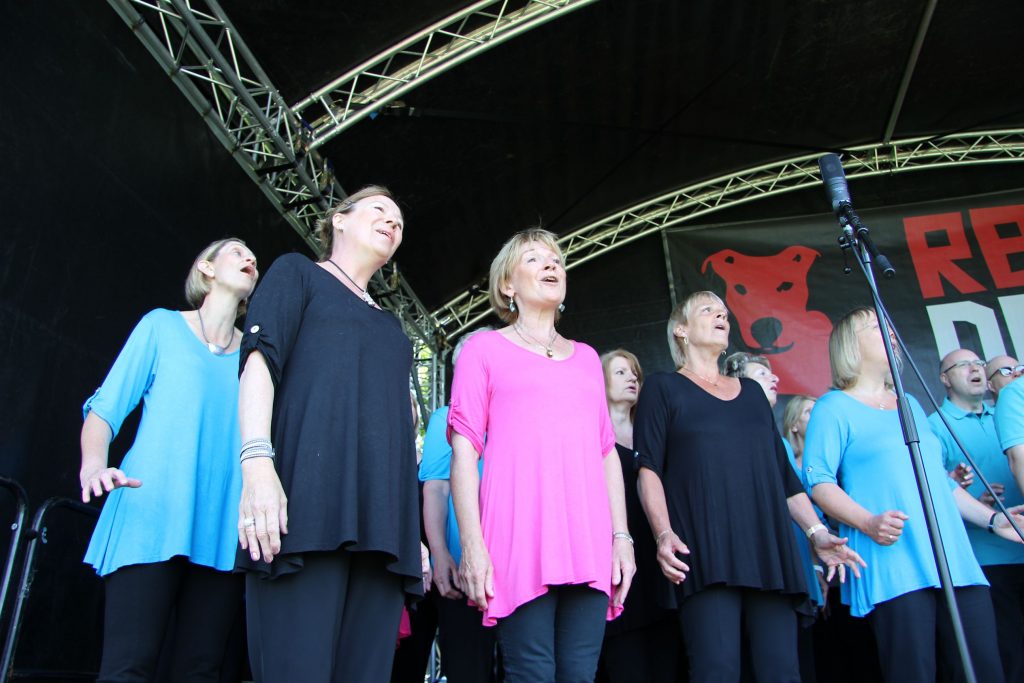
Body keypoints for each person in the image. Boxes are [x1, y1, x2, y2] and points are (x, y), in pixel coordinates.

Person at [235, 186, 424, 682]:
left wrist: (413, 530)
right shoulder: (297, 272)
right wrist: (257, 465)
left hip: (383, 532)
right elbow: (259, 363)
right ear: (338, 221)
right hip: (305, 508)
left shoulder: (394, 329)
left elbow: (400, 432)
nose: (392, 222)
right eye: (380, 209)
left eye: (399, 220)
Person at [635, 291, 863, 683]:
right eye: (707, 310)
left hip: (767, 548)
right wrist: (663, 533)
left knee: (781, 671)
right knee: (716, 669)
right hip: (704, 549)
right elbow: (648, 469)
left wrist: (817, 532)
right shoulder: (662, 388)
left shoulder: (754, 395)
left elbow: (783, 475)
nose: (721, 315)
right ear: (681, 331)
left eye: (724, 311)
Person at [448, 228, 635, 683]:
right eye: (534, 259)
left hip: (588, 541)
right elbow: (464, 449)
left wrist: (621, 538)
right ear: (507, 285)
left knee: (579, 674)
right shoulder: (482, 349)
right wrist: (472, 546)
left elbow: (606, 452)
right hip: (518, 539)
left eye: (556, 259)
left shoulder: (589, 358)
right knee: (530, 673)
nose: (552, 265)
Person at [805, 307, 1024, 683]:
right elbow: (819, 481)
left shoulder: (909, 403)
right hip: (895, 561)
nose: (889, 331)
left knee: (983, 668)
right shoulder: (833, 407)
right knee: (914, 671)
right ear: (849, 345)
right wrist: (867, 522)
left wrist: (991, 519)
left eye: (889, 324)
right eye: (875, 327)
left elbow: (939, 481)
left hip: (954, 558)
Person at [80, 238, 258, 682]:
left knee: (201, 671)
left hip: (220, 531)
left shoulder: (257, 358)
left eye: (253, 258)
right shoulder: (160, 327)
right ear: (207, 268)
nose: (249, 258)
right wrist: (93, 465)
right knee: (128, 667)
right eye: (236, 251)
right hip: (149, 514)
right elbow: (104, 411)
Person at [723, 353, 826, 682]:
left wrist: (815, 557)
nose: (774, 379)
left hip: (790, 564)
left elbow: (795, 500)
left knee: (793, 659)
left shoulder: (778, 440)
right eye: (761, 374)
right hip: (752, 570)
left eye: (772, 373)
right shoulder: (727, 434)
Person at [929, 348, 1024, 682]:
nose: (976, 369)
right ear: (944, 379)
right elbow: (931, 494)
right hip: (985, 561)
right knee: (1010, 656)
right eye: (963, 364)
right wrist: (977, 503)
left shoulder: (1008, 412)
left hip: (1021, 550)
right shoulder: (934, 427)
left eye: (980, 364)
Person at [420, 327, 500, 683]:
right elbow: (435, 490)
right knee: (468, 667)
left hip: (518, 567)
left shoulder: (517, 413)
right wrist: (439, 555)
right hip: (462, 569)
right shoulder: (444, 418)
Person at [597, 349, 680, 683]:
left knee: (668, 659)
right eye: (620, 373)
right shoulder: (590, 442)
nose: (632, 377)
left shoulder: (654, 436)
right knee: (625, 662)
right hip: (616, 564)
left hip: (658, 561)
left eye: (634, 372)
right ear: (599, 383)